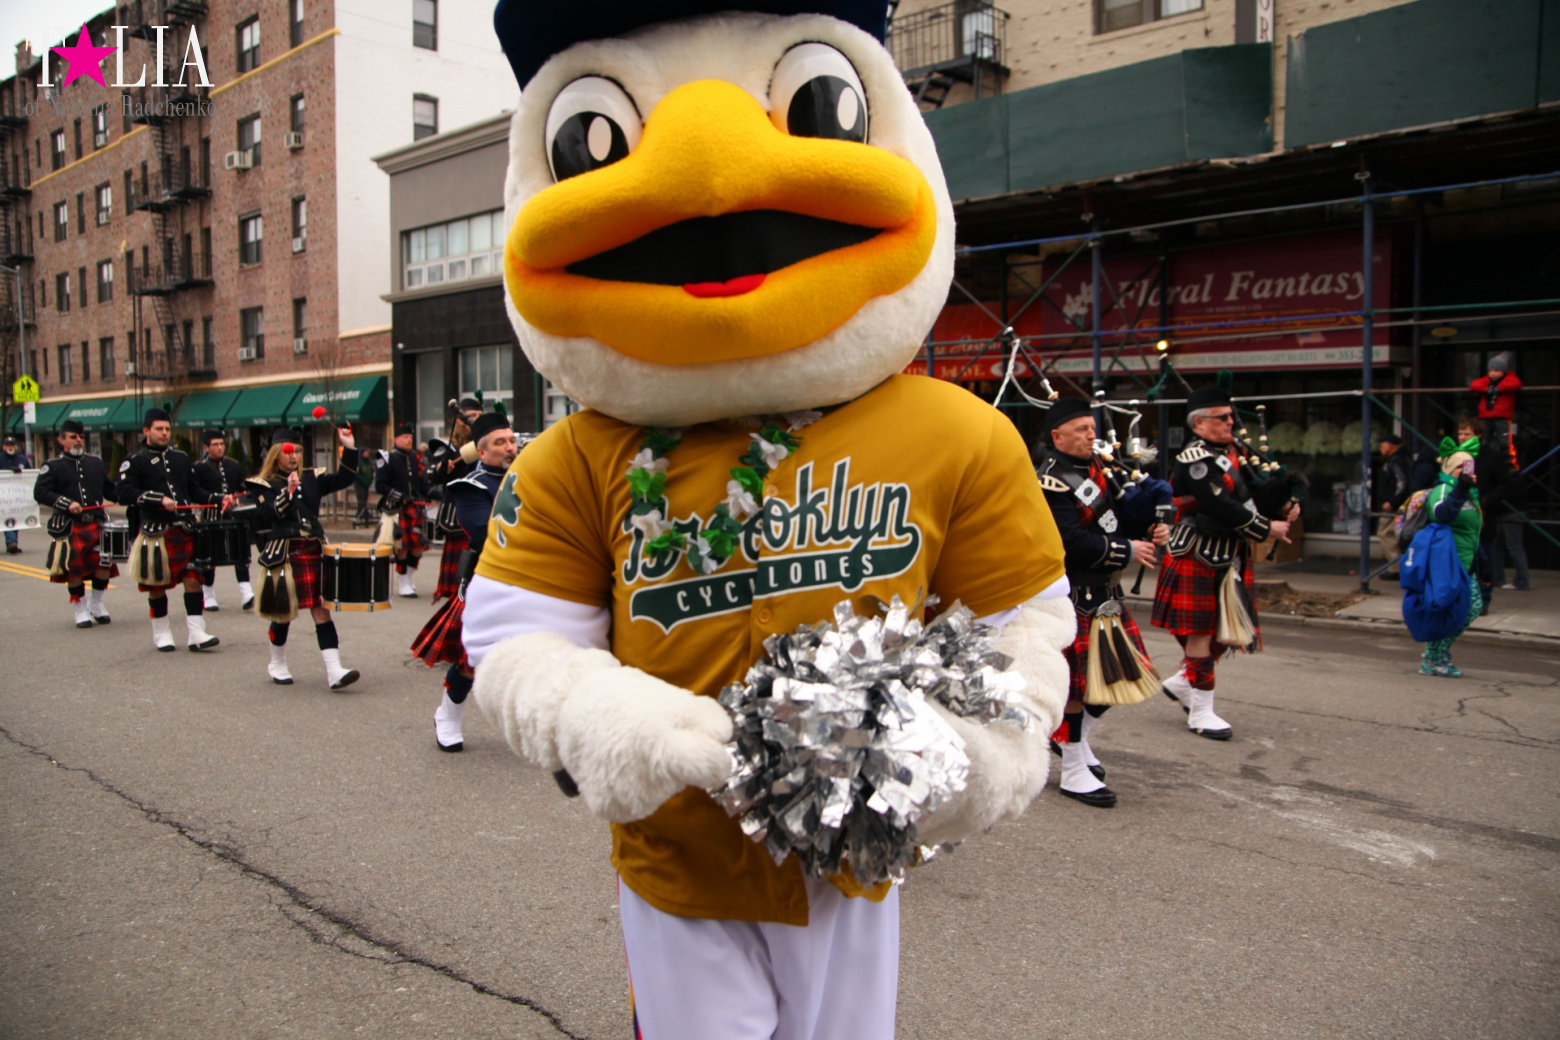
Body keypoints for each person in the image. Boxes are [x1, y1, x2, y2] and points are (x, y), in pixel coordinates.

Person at [1036, 398, 1169, 808]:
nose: (1091, 435)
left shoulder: (1096, 470)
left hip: (1106, 593)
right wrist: (1127, 550)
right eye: (1080, 429)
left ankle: (1071, 739)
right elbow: (1068, 541)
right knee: (1078, 687)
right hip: (1072, 595)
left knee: (1118, 678)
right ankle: (1074, 767)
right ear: (1057, 436)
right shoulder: (1050, 480)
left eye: (1092, 428)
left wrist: (1149, 524)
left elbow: (1113, 521)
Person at [1151, 385, 1295, 739]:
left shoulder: (1230, 452)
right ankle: (1201, 713)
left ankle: (1185, 680)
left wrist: (1284, 503)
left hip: (1227, 553)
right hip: (1198, 552)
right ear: (1199, 423)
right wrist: (1266, 529)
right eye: (1223, 417)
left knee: (1226, 631)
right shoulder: (1195, 459)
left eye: (1231, 416)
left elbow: (1249, 495)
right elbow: (1221, 506)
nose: (1231, 422)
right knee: (1201, 631)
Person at [412, 410, 520, 751]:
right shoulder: (468, 486)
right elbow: (490, 533)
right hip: (488, 582)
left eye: (512, 440)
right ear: (482, 453)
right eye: (500, 443)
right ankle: (448, 714)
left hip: (533, 580)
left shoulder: (531, 477)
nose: (510, 447)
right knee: (473, 659)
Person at [251, 426, 362, 690]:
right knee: (282, 613)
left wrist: (349, 447)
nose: (295, 457)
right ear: (277, 453)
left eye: (298, 451)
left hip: (312, 550)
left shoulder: (312, 477)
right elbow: (269, 513)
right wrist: (287, 493)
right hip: (284, 553)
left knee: (321, 611)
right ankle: (277, 663)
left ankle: (334, 670)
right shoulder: (262, 484)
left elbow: (344, 479)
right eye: (290, 452)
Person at [115, 407, 224, 652]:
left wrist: (218, 499)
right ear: (146, 431)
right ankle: (161, 632)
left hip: (184, 528)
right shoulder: (134, 461)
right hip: (156, 531)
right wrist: (157, 499)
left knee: (193, 579)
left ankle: (196, 632)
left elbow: (194, 491)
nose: (164, 433)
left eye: (167, 429)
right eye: (159, 429)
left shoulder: (181, 458)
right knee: (156, 586)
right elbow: (124, 493)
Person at [33, 419, 117, 627]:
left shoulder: (95, 462)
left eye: (80, 436)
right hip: (70, 525)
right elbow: (40, 492)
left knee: (104, 564)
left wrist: (128, 493)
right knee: (74, 569)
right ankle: (79, 608)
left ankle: (95, 603)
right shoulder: (52, 466)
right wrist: (66, 503)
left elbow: (109, 490)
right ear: (61, 440)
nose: (78, 440)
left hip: (97, 523)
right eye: (73, 437)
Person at [1421, 448, 1482, 677]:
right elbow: (1441, 514)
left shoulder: (1468, 492)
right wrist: (1462, 490)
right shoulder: (1443, 489)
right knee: (1459, 610)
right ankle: (1433, 657)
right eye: (1461, 467)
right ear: (1450, 470)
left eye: (1470, 467)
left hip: (1466, 560)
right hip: (1447, 562)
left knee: (1471, 608)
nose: (1467, 472)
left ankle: (1438, 653)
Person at [427, 398, 485, 606]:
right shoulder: (448, 448)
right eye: (472, 416)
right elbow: (431, 476)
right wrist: (444, 468)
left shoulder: (486, 442)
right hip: (459, 516)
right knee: (460, 580)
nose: (474, 420)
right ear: (460, 421)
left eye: (479, 416)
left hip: (484, 510)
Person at [192, 429, 254, 611]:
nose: (220, 448)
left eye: (222, 444)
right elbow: (197, 492)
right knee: (210, 555)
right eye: (215, 445)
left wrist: (241, 496)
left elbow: (241, 486)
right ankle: (208, 594)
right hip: (211, 516)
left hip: (233, 514)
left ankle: (246, 591)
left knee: (240, 552)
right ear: (206, 447)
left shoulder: (233, 465)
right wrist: (217, 498)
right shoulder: (199, 467)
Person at [375, 421, 429, 598]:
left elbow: (422, 484)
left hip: (415, 508)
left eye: (411, 437)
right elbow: (380, 485)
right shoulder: (386, 458)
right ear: (396, 439)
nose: (409, 440)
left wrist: (434, 494)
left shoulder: (416, 458)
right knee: (403, 548)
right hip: (398, 510)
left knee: (418, 547)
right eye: (405, 437)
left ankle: (408, 575)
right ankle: (404, 581)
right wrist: (400, 496)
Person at [1469, 352, 1520, 454]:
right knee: (1484, 440)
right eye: (1490, 371)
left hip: (1501, 416)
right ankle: (1482, 461)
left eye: (1496, 370)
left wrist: (1498, 389)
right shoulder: (1487, 381)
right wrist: (1486, 389)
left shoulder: (1509, 378)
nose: (1492, 373)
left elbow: (1515, 383)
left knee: (1504, 442)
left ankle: (1508, 464)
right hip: (1486, 416)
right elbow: (1474, 384)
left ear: (1503, 370)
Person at [1375, 433, 1410, 572]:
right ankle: (1396, 567)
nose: (1380, 448)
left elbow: (1403, 484)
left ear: (1391, 445)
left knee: (1386, 534)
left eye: (1383, 444)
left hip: (1394, 507)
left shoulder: (1397, 462)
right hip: (1397, 504)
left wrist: (1392, 502)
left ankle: (1396, 568)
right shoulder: (1398, 460)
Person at [2, 434, 32, 554]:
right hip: (3, 497)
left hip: (19, 497)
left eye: (13, 445)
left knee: (17, 518)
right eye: (8, 445)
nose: (10, 447)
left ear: (16, 447)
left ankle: (13, 542)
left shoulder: (22, 459)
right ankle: (11, 542)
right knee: (7, 517)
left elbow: (30, 475)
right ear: (4, 447)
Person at [352, 448, 375, 526]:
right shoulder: (359, 462)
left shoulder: (369, 462)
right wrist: (362, 481)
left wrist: (370, 480)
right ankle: (361, 514)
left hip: (367, 484)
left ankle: (365, 514)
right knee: (361, 499)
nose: (367, 453)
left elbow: (372, 472)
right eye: (365, 452)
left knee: (365, 499)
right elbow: (357, 474)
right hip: (359, 484)